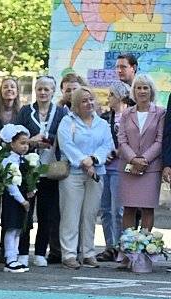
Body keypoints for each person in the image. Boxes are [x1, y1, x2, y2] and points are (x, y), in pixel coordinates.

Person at [56, 87, 114, 269]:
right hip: (72, 174)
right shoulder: (67, 121)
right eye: (84, 101)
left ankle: (88, 253)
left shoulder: (102, 124)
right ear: (76, 105)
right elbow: (66, 145)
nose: (89, 103)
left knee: (90, 215)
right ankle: (69, 254)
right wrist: (83, 161)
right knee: (70, 215)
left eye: (91, 100)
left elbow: (107, 145)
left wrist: (94, 159)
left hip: (96, 174)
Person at [16, 75, 66, 266]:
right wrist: (31, 142)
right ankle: (22, 251)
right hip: (28, 169)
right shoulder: (25, 111)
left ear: (54, 91)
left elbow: (65, 136)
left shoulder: (61, 112)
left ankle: (39, 252)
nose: (43, 92)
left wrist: (48, 138)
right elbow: (18, 136)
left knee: (47, 214)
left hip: (51, 169)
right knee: (26, 212)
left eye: (47, 89)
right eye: (40, 89)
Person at [117, 75, 165, 235]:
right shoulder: (126, 114)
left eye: (146, 87)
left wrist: (144, 159)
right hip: (129, 168)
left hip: (150, 168)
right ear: (134, 91)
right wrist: (133, 159)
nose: (142, 91)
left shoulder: (160, 113)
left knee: (147, 208)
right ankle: (129, 249)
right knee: (129, 208)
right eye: (138, 87)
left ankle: (144, 250)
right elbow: (121, 139)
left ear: (151, 91)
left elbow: (160, 140)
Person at [99, 81, 129, 260]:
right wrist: (104, 153)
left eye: (111, 94)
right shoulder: (104, 117)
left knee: (118, 209)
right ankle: (109, 246)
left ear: (119, 96)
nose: (108, 98)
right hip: (105, 166)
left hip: (120, 168)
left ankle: (121, 246)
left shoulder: (129, 116)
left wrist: (119, 151)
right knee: (105, 209)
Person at [0, 124, 34, 272]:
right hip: (13, 200)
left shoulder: (23, 160)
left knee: (19, 229)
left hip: (22, 199)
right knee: (11, 229)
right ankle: (10, 258)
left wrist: (32, 189)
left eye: (27, 143)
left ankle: (16, 256)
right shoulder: (9, 161)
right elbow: (11, 185)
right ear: (12, 144)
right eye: (21, 143)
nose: (25, 146)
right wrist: (22, 200)